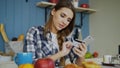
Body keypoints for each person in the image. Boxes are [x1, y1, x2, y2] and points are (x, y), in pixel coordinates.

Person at [24, 0, 87, 67]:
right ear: (53, 11)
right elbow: (30, 64)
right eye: (62, 16)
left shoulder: (67, 38)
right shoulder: (34, 32)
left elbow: (75, 65)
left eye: (68, 20)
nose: (65, 22)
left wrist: (81, 56)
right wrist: (60, 54)